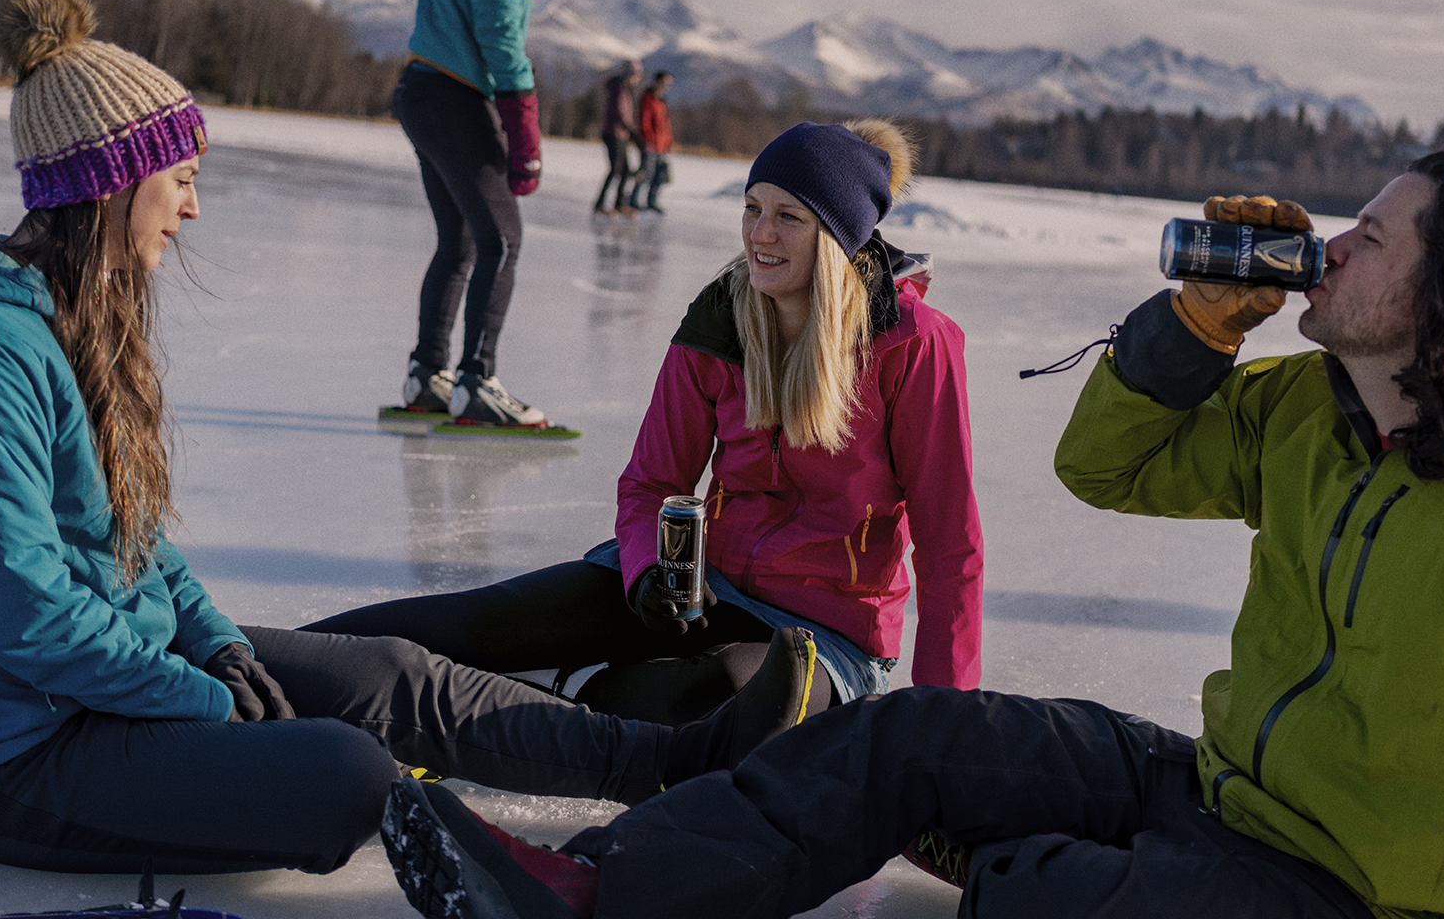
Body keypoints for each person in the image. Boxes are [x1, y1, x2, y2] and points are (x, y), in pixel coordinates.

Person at [378, 152, 1444, 919]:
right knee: (908, 738)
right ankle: (596, 895)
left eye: (1373, 238)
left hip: (1367, 913)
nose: (1327, 248)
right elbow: (1106, 468)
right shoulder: (1305, 413)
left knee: (1037, 916)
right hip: (1214, 791)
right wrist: (1191, 332)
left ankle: (1018, 857)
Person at [0, 0, 817, 879]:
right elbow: (25, 619)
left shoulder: (73, 317)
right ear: (112, 179)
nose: (193, 207)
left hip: (115, 675)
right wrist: (208, 702)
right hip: (12, 755)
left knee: (392, 675)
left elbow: (135, 546)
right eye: (181, 177)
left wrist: (215, 643)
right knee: (343, 774)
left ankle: (672, 759)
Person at [309, 119, 984, 726]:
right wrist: (643, 573)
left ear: (837, 236)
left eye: (788, 217)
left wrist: (942, 726)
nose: (760, 234)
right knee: (475, 621)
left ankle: (507, 708)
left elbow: (950, 544)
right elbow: (650, 481)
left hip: (822, 635)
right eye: (751, 209)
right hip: (694, 587)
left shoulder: (911, 343)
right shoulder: (724, 314)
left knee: (700, 702)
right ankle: (249, 664)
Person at [395, 0, 576, 428]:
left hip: (428, 89)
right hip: (450, 92)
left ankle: (428, 376)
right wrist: (522, 120)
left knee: (465, 239)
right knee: (502, 239)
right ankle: (476, 381)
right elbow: (498, 28)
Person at [593, 58, 642, 216]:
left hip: (620, 134)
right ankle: (600, 204)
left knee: (625, 171)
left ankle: (619, 204)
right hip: (614, 134)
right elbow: (621, 114)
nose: (638, 78)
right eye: (637, 75)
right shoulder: (619, 89)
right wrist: (633, 132)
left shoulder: (624, 89)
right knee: (616, 170)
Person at [631, 69, 673, 212]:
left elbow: (665, 124)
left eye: (668, 84)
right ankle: (633, 200)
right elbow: (645, 122)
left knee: (660, 176)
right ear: (656, 82)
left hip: (662, 146)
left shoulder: (663, 102)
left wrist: (668, 142)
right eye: (664, 83)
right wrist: (648, 140)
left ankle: (651, 201)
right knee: (645, 174)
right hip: (651, 144)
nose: (666, 87)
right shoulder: (648, 98)